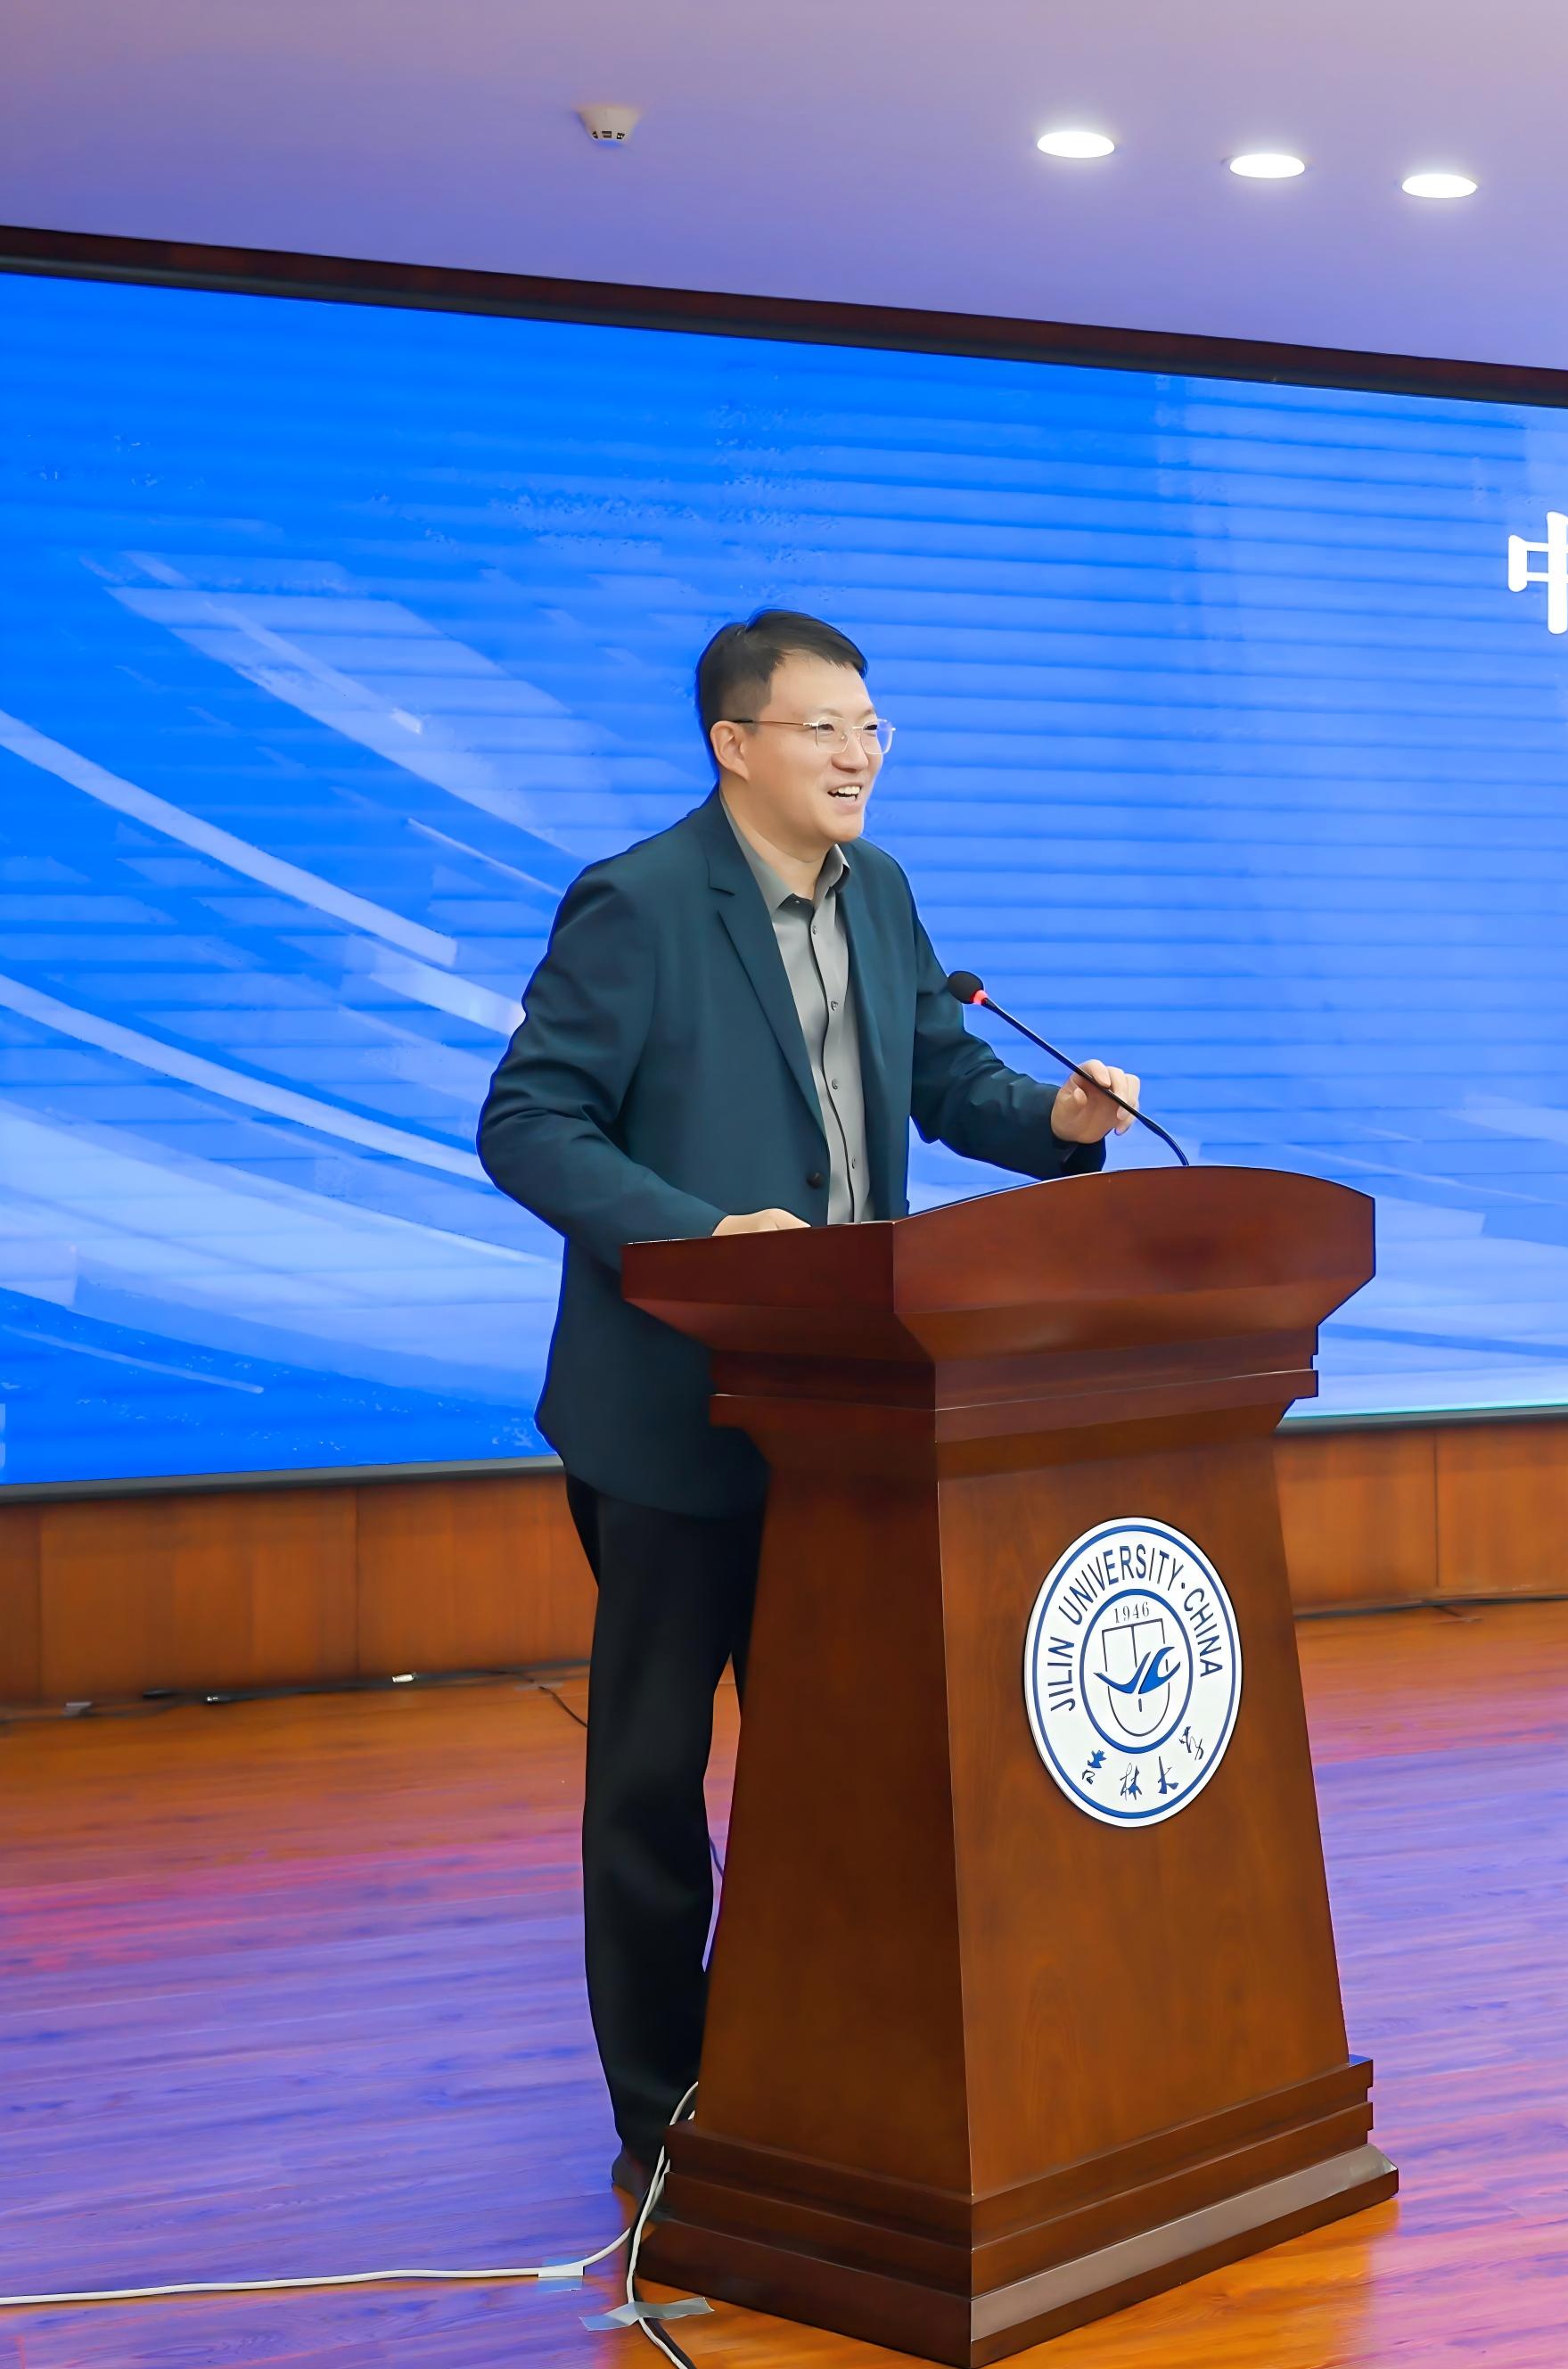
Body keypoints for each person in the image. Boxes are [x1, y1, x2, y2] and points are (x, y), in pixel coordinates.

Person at [479, 609, 1139, 2197]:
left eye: (872, 728)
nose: (857, 756)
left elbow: (940, 1077)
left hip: (850, 1419)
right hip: (674, 1409)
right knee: (653, 1777)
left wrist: (1055, 1119)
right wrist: (703, 1235)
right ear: (735, 744)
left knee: (834, 1756)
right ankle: (665, 2110)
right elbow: (530, 1121)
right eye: (824, 727)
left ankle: (806, 2067)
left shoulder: (881, 892)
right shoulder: (641, 901)